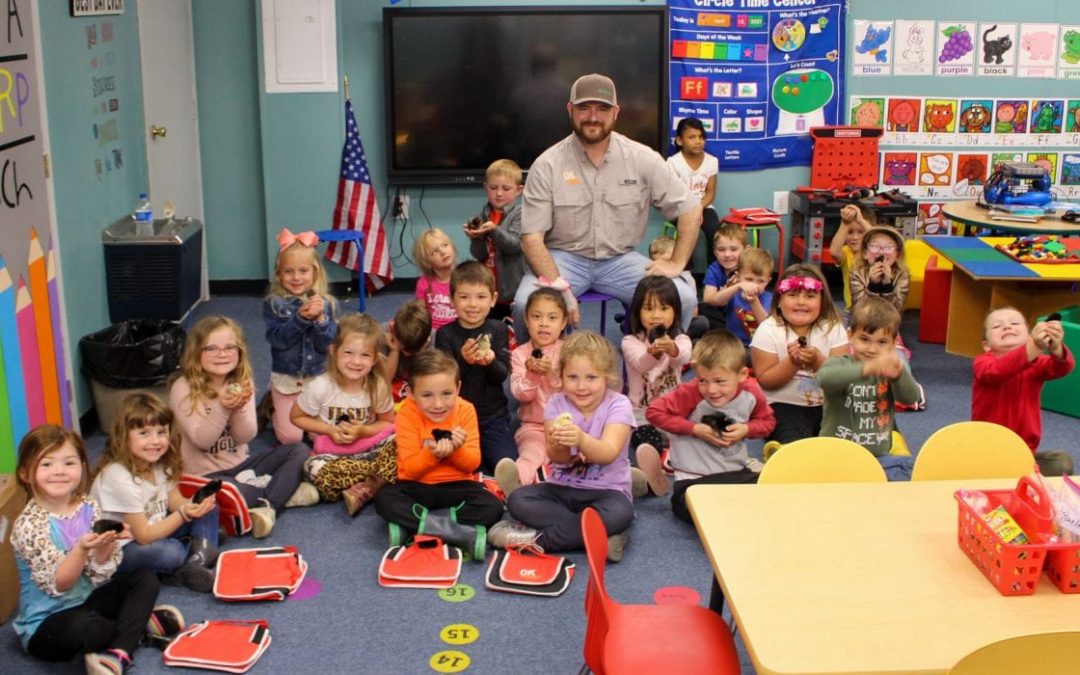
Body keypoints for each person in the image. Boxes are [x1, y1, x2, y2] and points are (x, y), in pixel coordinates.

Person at [513, 73, 703, 333]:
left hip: (620, 261)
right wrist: (558, 286)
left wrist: (677, 263)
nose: (593, 117)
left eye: (602, 109)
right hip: (563, 261)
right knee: (525, 304)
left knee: (684, 297)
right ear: (570, 110)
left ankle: (659, 369)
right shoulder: (547, 165)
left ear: (616, 112)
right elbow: (531, 238)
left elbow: (691, 209)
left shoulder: (642, 158)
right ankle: (533, 373)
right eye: (584, 108)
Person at [12, 425, 183, 675]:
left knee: (144, 577)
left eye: (69, 463)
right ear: (26, 473)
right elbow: (60, 585)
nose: (59, 472)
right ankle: (135, 628)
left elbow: (98, 575)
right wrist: (81, 549)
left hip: (87, 602)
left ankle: (119, 653)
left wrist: (106, 545)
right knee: (86, 627)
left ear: (82, 467)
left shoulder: (87, 506)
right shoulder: (29, 525)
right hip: (46, 623)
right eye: (46, 464)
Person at [496, 332, 636, 562]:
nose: (581, 387)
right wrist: (560, 444)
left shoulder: (618, 404)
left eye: (591, 378)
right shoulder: (556, 403)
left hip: (607, 492)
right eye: (572, 377)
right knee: (518, 500)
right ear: (560, 376)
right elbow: (557, 458)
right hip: (562, 487)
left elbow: (608, 453)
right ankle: (600, 534)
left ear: (606, 377)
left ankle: (537, 541)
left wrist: (581, 440)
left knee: (620, 513)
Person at [169, 316, 312, 539]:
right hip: (206, 476)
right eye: (211, 348)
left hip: (242, 465)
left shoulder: (241, 382)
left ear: (240, 351)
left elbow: (245, 436)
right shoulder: (183, 388)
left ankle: (268, 507)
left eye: (229, 347)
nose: (222, 354)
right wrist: (223, 407)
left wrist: (240, 407)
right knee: (227, 492)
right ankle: (281, 493)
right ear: (196, 353)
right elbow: (202, 440)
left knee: (299, 450)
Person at [372, 349, 504, 549]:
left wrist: (456, 450)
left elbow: (473, 464)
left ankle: (414, 527)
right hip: (417, 486)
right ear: (411, 393)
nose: (438, 404)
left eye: (446, 393)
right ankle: (456, 532)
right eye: (427, 395)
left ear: (458, 388)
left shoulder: (466, 410)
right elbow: (411, 469)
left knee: (493, 507)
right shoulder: (406, 413)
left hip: (458, 485)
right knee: (384, 499)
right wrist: (433, 454)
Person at [90, 393, 220, 593]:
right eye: (144, 433)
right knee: (170, 553)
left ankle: (196, 560)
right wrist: (185, 515)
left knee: (209, 508)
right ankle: (200, 546)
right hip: (124, 547)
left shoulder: (159, 463)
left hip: (156, 526)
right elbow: (143, 536)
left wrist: (190, 505)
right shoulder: (118, 478)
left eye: (161, 432)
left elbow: (173, 499)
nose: (155, 441)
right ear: (124, 436)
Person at [646, 330, 775, 522]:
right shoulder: (690, 392)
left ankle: (732, 510)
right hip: (694, 479)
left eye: (720, 381)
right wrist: (694, 429)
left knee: (771, 494)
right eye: (702, 380)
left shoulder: (751, 393)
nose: (711, 390)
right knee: (689, 508)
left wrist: (747, 429)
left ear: (742, 375)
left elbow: (767, 422)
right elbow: (654, 412)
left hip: (734, 474)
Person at [291, 314, 397, 516]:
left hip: (368, 451)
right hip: (331, 455)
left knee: (403, 442)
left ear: (374, 359)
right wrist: (329, 429)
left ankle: (364, 486)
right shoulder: (321, 385)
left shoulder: (378, 386)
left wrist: (365, 430)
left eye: (365, 355)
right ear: (333, 351)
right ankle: (374, 482)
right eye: (348, 353)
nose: (356, 362)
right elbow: (296, 417)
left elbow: (388, 423)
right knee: (313, 469)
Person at [816, 298, 920, 480]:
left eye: (881, 342)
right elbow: (825, 378)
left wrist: (898, 376)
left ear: (893, 343)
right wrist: (866, 369)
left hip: (878, 456)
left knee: (911, 471)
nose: (872, 349)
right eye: (864, 339)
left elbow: (910, 398)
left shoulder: (889, 370)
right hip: (837, 455)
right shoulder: (839, 364)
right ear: (850, 336)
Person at [750, 264, 848, 450]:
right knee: (795, 445)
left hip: (828, 405)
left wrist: (817, 361)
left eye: (810, 296)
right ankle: (782, 453)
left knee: (842, 444)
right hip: (782, 405)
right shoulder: (768, 330)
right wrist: (793, 363)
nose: (801, 302)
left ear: (822, 301)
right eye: (793, 295)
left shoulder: (833, 328)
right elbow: (766, 381)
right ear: (779, 300)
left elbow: (841, 379)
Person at [434, 261, 515, 474]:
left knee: (506, 461)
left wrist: (489, 363)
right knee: (466, 465)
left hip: (493, 417)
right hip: (456, 419)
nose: (472, 304)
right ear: (452, 300)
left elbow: (502, 375)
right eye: (464, 297)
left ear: (493, 300)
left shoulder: (498, 330)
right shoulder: (445, 334)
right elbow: (442, 382)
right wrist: (461, 360)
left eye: (481, 297)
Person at [262, 228, 338, 445]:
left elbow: (328, 345)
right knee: (291, 439)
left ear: (315, 272)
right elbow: (278, 340)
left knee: (320, 437)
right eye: (288, 272)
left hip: (316, 380)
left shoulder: (326, 303)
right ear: (279, 274)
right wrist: (300, 319)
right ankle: (273, 406)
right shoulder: (274, 303)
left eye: (303, 271)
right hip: (287, 380)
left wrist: (321, 320)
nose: (296, 278)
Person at [621, 275, 692, 497]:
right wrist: (653, 352)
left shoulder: (681, 339)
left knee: (690, 432)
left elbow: (683, 356)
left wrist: (671, 349)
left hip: (673, 410)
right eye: (648, 308)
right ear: (637, 312)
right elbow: (640, 363)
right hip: (642, 412)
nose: (656, 315)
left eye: (664, 308)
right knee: (645, 438)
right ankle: (655, 469)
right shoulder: (630, 342)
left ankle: (669, 459)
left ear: (675, 312)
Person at [497, 287, 569, 496]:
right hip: (534, 426)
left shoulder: (569, 351)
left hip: (567, 424)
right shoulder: (519, 354)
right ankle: (515, 484)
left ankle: (619, 477)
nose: (544, 323)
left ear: (563, 323)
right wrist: (532, 375)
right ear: (527, 321)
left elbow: (577, 391)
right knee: (530, 455)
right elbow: (521, 395)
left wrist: (553, 373)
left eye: (552, 317)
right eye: (537, 317)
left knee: (583, 452)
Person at [972, 307, 1074, 451]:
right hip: (987, 445)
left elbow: (1062, 368)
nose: (1007, 326)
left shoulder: (1038, 362)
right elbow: (996, 371)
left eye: (1014, 323)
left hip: (1025, 446)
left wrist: (1056, 348)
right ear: (987, 345)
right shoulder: (982, 362)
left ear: (1029, 337)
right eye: (997, 326)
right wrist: (1035, 347)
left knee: (1060, 462)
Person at [465, 159, 525, 322]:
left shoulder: (520, 213)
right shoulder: (482, 214)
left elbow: (514, 245)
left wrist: (494, 230)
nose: (499, 193)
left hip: (512, 287)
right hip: (489, 287)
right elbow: (479, 254)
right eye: (493, 188)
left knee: (512, 331)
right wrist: (477, 238)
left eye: (506, 188)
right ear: (485, 187)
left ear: (519, 190)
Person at [666, 117, 719, 259]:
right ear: (679, 141)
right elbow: (673, 195)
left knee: (714, 229)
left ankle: (713, 274)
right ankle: (685, 271)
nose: (698, 141)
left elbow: (711, 192)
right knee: (688, 229)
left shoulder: (712, 161)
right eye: (692, 137)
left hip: (703, 206)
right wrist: (690, 211)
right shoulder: (673, 163)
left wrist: (698, 208)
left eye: (701, 137)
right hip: (680, 207)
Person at [849, 226, 910, 314]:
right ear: (865, 253)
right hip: (863, 322)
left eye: (889, 248)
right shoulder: (857, 273)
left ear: (897, 254)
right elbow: (860, 310)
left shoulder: (902, 275)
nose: (881, 252)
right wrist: (873, 285)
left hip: (890, 324)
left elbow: (896, 311)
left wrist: (887, 285)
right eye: (875, 246)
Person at [382, 299, 433, 404]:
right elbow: (383, 382)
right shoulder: (382, 334)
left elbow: (427, 381)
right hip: (389, 394)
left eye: (413, 350)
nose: (407, 354)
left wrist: (422, 352)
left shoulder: (432, 337)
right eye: (403, 347)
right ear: (394, 332)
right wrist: (394, 351)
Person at [700, 223, 749, 332]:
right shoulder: (714, 269)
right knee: (701, 308)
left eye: (733, 249)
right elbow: (708, 300)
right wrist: (730, 288)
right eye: (722, 250)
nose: (727, 254)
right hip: (722, 316)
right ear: (715, 252)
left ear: (745, 250)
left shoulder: (749, 268)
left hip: (744, 314)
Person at [828, 203, 874, 311]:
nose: (855, 237)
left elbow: (877, 238)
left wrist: (862, 220)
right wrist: (845, 223)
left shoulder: (876, 251)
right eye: (850, 232)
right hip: (853, 311)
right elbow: (834, 252)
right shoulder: (847, 252)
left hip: (877, 311)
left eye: (861, 232)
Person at [726, 247, 774, 348]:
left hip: (759, 347)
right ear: (738, 277)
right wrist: (736, 286)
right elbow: (714, 301)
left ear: (768, 281)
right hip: (733, 345)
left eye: (761, 281)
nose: (754, 285)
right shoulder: (733, 294)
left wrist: (754, 302)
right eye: (749, 279)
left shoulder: (769, 298)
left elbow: (767, 326)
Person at [413, 227, 459, 331]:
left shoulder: (464, 277)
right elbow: (420, 314)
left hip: (458, 329)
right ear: (427, 263)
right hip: (434, 332)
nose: (443, 252)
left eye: (445, 245)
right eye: (435, 251)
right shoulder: (423, 283)